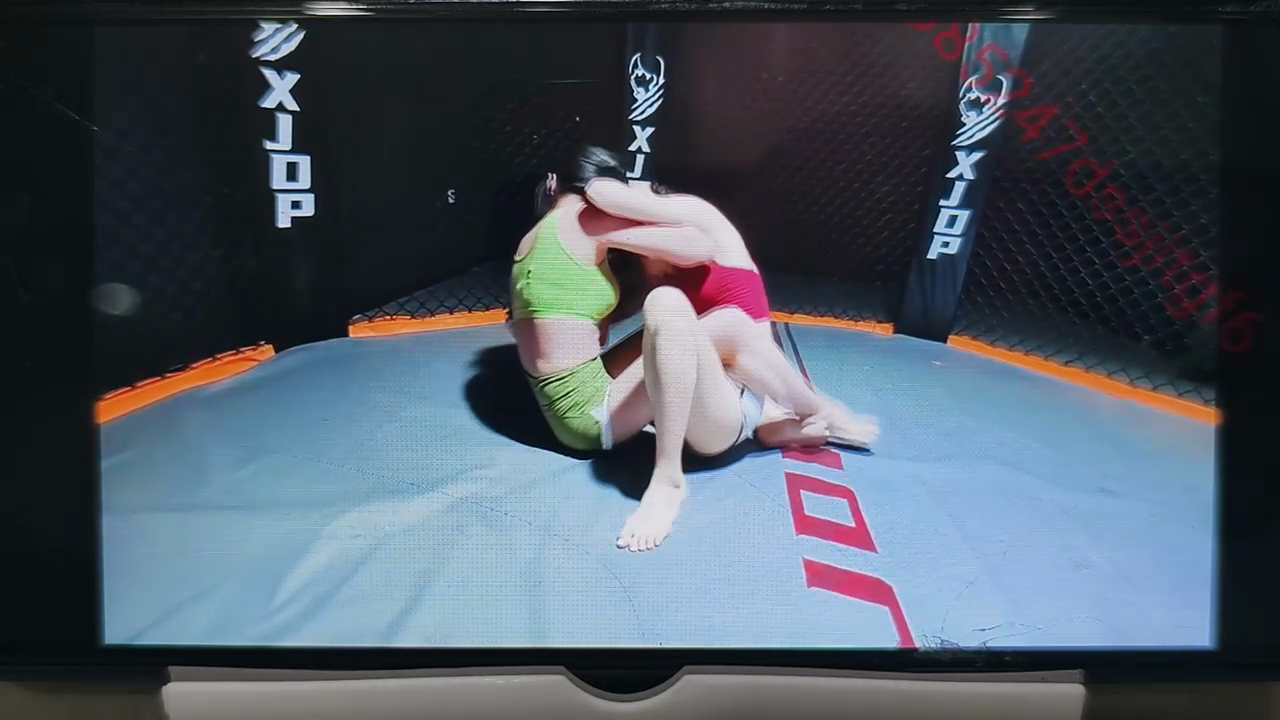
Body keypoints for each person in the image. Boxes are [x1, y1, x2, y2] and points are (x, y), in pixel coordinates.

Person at [508, 146, 822, 553]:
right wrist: (615, 231)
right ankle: (672, 476)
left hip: (562, 406)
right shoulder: (589, 219)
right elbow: (700, 246)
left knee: (681, 332)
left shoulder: (531, 239)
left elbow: (588, 335)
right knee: (694, 315)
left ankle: (782, 413)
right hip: (591, 418)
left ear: (552, 184)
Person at [583, 178, 880, 449]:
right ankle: (776, 423)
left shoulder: (697, 217)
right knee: (661, 333)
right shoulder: (650, 266)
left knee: (727, 325)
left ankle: (815, 411)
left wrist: (604, 219)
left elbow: (600, 192)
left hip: (737, 392)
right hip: (702, 391)